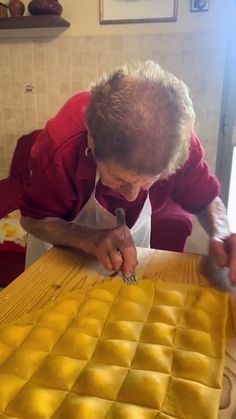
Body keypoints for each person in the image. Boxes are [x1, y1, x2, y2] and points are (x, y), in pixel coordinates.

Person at [20, 60, 236, 285]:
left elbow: (206, 201)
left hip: (125, 260)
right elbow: (32, 220)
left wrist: (220, 231)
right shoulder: (60, 145)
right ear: (91, 140)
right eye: (121, 179)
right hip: (58, 258)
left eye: (147, 182)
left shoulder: (176, 142)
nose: (132, 196)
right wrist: (88, 238)